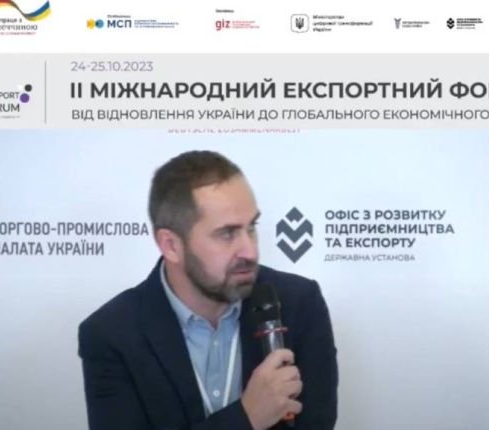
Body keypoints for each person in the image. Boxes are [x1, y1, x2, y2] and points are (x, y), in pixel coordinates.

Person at [78, 150, 338, 430]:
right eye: (227, 233)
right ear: (171, 245)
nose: (250, 251)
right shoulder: (111, 334)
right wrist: (246, 417)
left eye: (251, 227)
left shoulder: (299, 303)